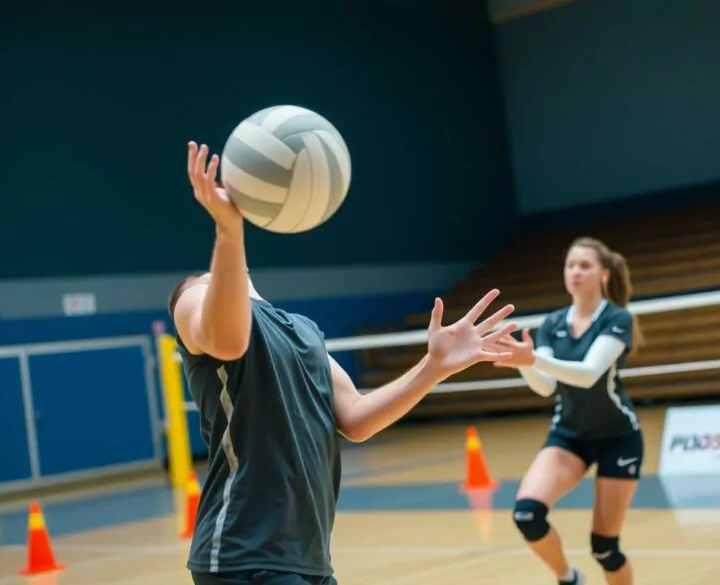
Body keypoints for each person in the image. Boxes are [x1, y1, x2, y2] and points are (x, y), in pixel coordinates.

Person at [169, 141, 518, 585]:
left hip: (308, 559)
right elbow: (229, 339)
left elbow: (356, 419)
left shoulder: (303, 331)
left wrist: (434, 367)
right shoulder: (193, 298)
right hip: (243, 555)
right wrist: (228, 231)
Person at [489, 237, 644, 585]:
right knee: (527, 515)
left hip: (618, 439)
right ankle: (569, 578)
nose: (575, 272)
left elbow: (590, 374)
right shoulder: (553, 322)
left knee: (604, 546)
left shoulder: (617, 318)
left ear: (604, 274)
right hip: (569, 436)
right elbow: (545, 385)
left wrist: (534, 359)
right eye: (570, 265)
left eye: (584, 265)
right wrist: (523, 363)